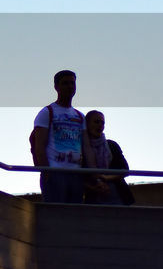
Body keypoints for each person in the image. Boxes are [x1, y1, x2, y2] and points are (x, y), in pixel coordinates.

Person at [31, 69, 89, 204]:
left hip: (76, 175)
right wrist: (47, 173)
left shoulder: (80, 116)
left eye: (72, 83)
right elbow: (39, 146)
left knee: (74, 216)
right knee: (55, 214)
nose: (70, 86)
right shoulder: (47, 112)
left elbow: (86, 147)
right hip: (55, 173)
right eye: (65, 83)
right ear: (56, 87)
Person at [83, 110, 135, 205]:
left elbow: (125, 170)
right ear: (86, 124)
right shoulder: (81, 149)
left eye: (102, 122)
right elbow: (80, 178)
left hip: (117, 196)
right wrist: (94, 187)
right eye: (96, 122)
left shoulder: (112, 145)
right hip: (94, 198)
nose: (100, 125)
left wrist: (105, 178)